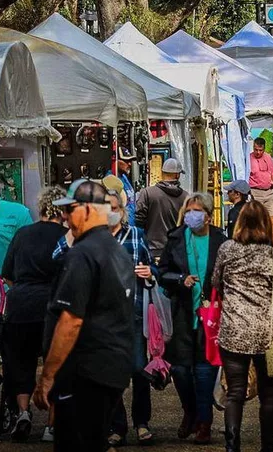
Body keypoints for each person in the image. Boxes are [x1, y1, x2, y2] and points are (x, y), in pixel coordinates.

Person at [32, 180, 135, 452]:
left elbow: (70, 321)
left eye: (71, 210)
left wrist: (48, 376)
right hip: (111, 370)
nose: (65, 217)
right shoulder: (117, 252)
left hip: (85, 372)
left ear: (88, 210)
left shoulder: (83, 254)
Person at [213, 201, 273, 452]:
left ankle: (231, 445)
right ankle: (267, 446)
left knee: (235, 392)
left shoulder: (227, 249)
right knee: (269, 394)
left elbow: (216, 281)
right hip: (266, 332)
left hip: (234, 329)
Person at [159, 193, 227, 444]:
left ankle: (204, 422)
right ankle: (190, 410)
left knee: (204, 370)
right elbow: (163, 272)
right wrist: (180, 280)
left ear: (208, 215)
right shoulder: (176, 238)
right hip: (182, 312)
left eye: (197, 210)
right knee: (180, 369)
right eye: (189, 210)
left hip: (210, 316)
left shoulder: (220, 240)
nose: (192, 215)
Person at [1, 186, 68, 442]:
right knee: (55, 366)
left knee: (20, 364)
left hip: (20, 306)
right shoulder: (67, 236)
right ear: (62, 210)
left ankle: (23, 413)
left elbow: (7, 274)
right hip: (53, 307)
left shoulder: (22, 234)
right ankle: (51, 426)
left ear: (40, 208)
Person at [104, 187, 157, 447]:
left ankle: (142, 422)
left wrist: (150, 271)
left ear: (122, 211)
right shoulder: (94, 239)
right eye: (105, 208)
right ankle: (117, 426)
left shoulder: (135, 235)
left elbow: (152, 265)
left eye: (114, 207)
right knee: (111, 373)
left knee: (138, 369)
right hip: (105, 318)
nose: (110, 213)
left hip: (133, 313)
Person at [135, 158, 189, 258]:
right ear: (177, 175)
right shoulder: (186, 197)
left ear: (162, 173)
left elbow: (138, 219)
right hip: (175, 250)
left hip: (151, 249)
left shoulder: (147, 193)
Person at [248, 137, 273, 248]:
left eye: (260, 150)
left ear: (264, 149)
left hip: (269, 192)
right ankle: (258, 246)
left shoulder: (268, 157)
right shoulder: (249, 158)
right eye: (256, 149)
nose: (258, 152)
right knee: (258, 220)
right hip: (255, 192)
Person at [116, 147, 138, 226]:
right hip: (122, 228)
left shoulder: (124, 177)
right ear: (116, 161)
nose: (129, 164)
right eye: (126, 161)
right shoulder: (112, 179)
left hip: (130, 227)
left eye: (130, 161)